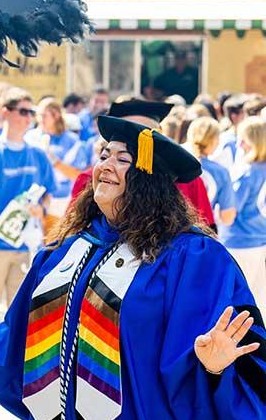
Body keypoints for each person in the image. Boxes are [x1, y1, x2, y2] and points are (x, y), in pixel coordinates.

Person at [0, 115, 266, 420]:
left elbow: (235, 351)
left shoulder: (192, 257)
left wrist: (216, 369)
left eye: (123, 159)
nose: (105, 164)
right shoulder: (67, 251)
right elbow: (27, 329)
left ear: (149, 180)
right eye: (104, 154)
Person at [0, 87, 55, 387]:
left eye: (32, 113)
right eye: (24, 111)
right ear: (5, 112)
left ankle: (11, 365)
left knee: (19, 311)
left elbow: (47, 197)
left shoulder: (38, 155)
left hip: (26, 245)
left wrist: (41, 211)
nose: (29, 118)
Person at [70, 99, 215, 228]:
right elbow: (75, 223)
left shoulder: (190, 182)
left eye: (145, 133)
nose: (134, 138)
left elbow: (207, 226)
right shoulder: (92, 179)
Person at [220, 117, 266, 309]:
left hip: (239, 241)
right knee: (259, 301)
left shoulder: (246, 174)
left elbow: (229, 214)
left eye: (243, 139)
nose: (239, 144)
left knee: (237, 301)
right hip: (260, 239)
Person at [25, 97, 89, 220]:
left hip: (60, 199)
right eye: (39, 115)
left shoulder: (71, 140)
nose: (40, 119)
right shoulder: (30, 137)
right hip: (32, 198)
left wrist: (53, 160)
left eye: (44, 115)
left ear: (57, 115)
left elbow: (78, 175)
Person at [186, 117, 236, 228]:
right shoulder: (220, 172)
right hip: (204, 230)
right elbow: (227, 217)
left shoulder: (176, 165)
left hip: (175, 230)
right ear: (214, 140)